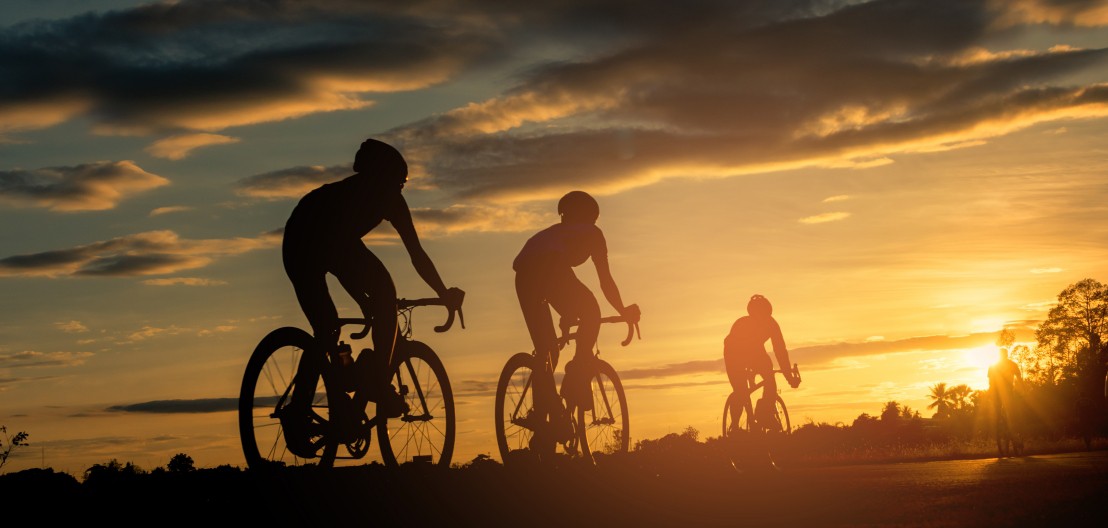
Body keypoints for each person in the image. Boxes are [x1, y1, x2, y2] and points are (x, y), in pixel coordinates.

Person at [282, 138, 462, 456]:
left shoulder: (386, 199)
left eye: (401, 186)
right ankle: (304, 410)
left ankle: (356, 389)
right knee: (330, 326)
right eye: (396, 184)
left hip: (329, 240)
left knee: (355, 312)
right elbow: (337, 254)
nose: (398, 192)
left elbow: (415, 255)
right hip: (303, 239)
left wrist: (442, 291)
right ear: (375, 179)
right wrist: (367, 298)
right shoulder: (351, 198)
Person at [513, 190, 639, 442]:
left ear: (564, 214)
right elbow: (605, 280)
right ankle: (578, 372)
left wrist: (569, 312)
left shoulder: (555, 232)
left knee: (547, 351)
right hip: (549, 267)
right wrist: (623, 310)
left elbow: (557, 287)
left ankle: (543, 416)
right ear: (592, 217)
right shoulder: (593, 233)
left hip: (524, 275)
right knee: (591, 309)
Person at [723, 294, 800, 430]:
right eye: (759, 315)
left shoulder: (772, 324)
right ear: (751, 314)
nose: (762, 318)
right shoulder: (742, 324)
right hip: (733, 354)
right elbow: (738, 352)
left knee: (770, 378)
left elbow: (780, 350)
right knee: (741, 392)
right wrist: (746, 373)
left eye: (765, 314)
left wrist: (789, 377)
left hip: (755, 352)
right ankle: (734, 426)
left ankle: (765, 413)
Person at [987, 347, 1022, 456]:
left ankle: (1003, 426)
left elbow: (990, 382)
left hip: (1001, 393)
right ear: (1005, 355)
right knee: (1010, 414)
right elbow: (1019, 379)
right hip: (1002, 393)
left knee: (1005, 414)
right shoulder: (1010, 364)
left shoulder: (995, 366)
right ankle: (1005, 426)